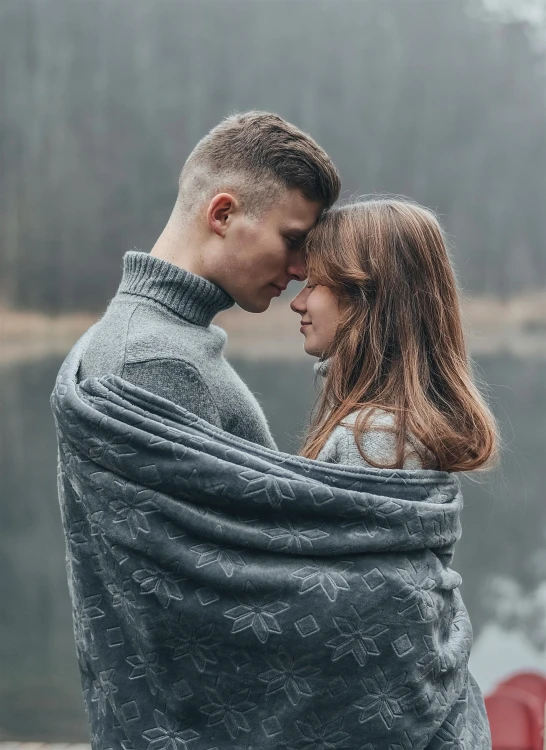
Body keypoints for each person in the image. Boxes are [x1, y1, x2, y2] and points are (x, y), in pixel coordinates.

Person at [79, 110, 341, 447]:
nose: (301, 270)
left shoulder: (161, 342)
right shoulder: (155, 362)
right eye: (292, 241)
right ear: (223, 215)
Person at [291, 197, 498, 473]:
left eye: (314, 284)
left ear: (367, 299)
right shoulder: (388, 430)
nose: (297, 303)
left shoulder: (371, 440)